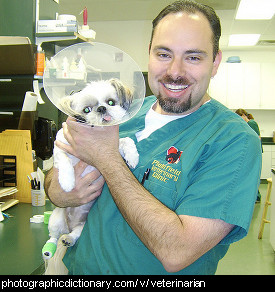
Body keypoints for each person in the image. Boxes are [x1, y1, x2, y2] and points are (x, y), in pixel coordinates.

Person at [45, 0, 262, 275]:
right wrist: (59, 192)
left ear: (215, 62)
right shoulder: (123, 113)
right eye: (163, 54)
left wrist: (107, 159)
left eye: (193, 57)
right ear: (149, 53)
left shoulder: (233, 141)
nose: (175, 71)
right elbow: (57, 175)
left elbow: (177, 252)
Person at [235, 108, 262, 202]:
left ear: (243, 115)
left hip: (254, 151)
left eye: (240, 117)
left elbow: (257, 138)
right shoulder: (248, 124)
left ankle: (257, 196)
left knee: (252, 173)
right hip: (252, 151)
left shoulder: (251, 123)